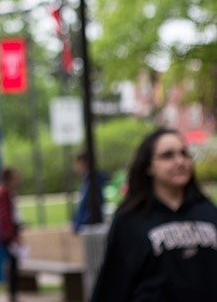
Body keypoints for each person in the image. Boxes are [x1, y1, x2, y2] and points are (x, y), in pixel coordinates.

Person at [90, 128, 217, 302]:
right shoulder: (131, 219)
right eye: (168, 156)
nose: (180, 161)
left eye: (184, 154)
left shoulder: (208, 211)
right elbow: (113, 284)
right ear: (148, 166)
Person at [0, 167, 22, 302]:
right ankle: (12, 295)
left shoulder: (2, 192)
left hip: (7, 233)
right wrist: (12, 235)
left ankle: (13, 294)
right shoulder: (4, 194)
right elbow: (5, 217)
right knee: (12, 265)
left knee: (13, 264)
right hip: (8, 235)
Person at [72, 151, 106, 233]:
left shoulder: (91, 181)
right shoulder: (87, 180)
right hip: (88, 224)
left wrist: (80, 223)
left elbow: (92, 205)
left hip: (89, 226)